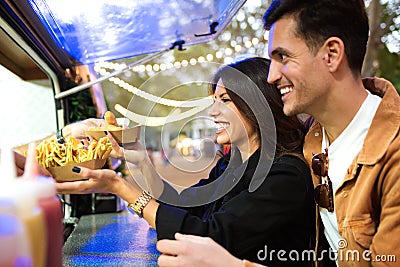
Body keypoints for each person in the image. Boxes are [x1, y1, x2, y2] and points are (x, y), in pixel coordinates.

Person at [156, 0, 400, 266]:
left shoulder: (391, 158)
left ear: (331, 54)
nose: (271, 76)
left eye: (282, 57)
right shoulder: (312, 138)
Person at [56, 57, 315, 266]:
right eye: (214, 101)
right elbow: (187, 206)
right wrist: (138, 160)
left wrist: (119, 187)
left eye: (225, 100)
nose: (213, 112)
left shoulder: (285, 176)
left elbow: (210, 237)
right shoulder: (235, 164)